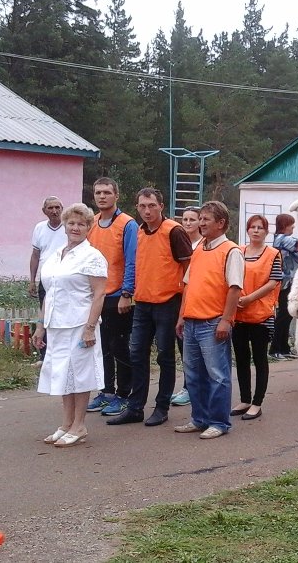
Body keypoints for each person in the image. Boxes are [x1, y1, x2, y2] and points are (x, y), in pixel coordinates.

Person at [107, 188, 193, 427]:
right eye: (143, 206)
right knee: (137, 356)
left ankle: (162, 407)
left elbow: (189, 270)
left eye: (151, 206)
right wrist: (128, 292)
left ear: (161, 206)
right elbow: (135, 265)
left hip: (168, 303)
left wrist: (184, 310)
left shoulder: (174, 231)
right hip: (143, 304)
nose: (147, 210)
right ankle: (135, 408)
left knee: (165, 356)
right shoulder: (141, 232)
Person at [33, 203, 107, 448]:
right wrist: (41, 326)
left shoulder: (92, 256)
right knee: (62, 373)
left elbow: (99, 295)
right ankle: (65, 424)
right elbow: (50, 293)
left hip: (79, 324)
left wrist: (89, 327)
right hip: (56, 324)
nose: (75, 227)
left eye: (81, 224)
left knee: (79, 375)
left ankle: (79, 425)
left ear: (88, 227)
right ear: (64, 225)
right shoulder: (56, 255)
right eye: (71, 223)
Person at [175, 201, 243, 440]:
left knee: (217, 375)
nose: (201, 223)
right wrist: (182, 316)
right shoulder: (199, 248)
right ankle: (199, 418)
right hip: (192, 321)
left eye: (206, 219)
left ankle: (218, 422)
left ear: (221, 223)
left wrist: (226, 320)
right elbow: (188, 284)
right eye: (200, 218)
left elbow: (235, 289)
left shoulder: (231, 251)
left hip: (213, 322)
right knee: (193, 374)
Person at [85, 178, 137, 417]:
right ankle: (106, 392)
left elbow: (132, 261)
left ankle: (124, 395)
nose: (102, 196)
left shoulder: (127, 224)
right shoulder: (91, 222)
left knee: (120, 347)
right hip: (97, 296)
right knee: (102, 348)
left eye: (107, 192)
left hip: (118, 296)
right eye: (98, 192)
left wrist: (126, 293)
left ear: (116, 195)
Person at [229, 215, 283, 420]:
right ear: (247, 230)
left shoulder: (273, 254)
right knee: (241, 358)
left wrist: (250, 297)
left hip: (261, 314)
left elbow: (274, 281)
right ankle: (244, 399)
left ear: (266, 232)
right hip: (239, 313)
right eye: (253, 227)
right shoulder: (238, 252)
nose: (256, 230)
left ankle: (257, 402)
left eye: (260, 227)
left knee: (260, 359)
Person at [170, 206, 204, 407]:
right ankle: (188, 385)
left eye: (193, 219)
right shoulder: (178, 243)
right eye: (185, 219)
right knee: (183, 346)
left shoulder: (203, 245)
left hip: (198, 300)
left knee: (195, 348)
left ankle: (194, 387)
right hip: (179, 298)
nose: (188, 223)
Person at [29, 196, 67, 360]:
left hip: (65, 279)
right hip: (45, 280)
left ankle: (63, 352)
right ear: (44, 211)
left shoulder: (68, 227)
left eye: (57, 207)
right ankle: (44, 356)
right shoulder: (39, 228)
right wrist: (32, 280)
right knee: (45, 315)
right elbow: (35, 255)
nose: (54, 211)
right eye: (50, 208)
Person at [269, 213, 298, 360]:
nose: (293, 227)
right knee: (283, 315)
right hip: (284, 283)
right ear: (284, 225)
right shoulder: (282, 239)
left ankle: (284, 347)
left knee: (288, 315)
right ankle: (275, 348)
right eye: (291, 224)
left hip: (291, 281)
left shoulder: (284, 239)